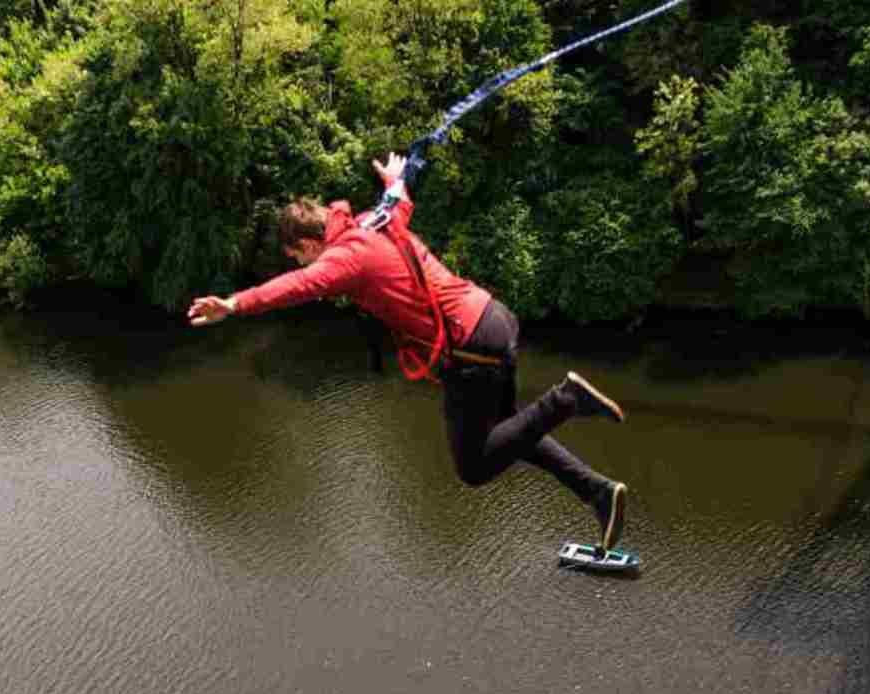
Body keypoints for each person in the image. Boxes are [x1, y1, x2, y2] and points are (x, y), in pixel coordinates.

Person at [188, 153, 627, 550]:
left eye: (300, 258)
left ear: (307, 245)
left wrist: (233, 303)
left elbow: (297, 287)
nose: (306, 266)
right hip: (492, 319)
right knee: (513, 432)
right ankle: (598, 491)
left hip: (468, 349)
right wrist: (396, 179)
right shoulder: (373, 219)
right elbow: (399, 199)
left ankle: (566, 399)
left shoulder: (343, 257)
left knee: (473, 467)